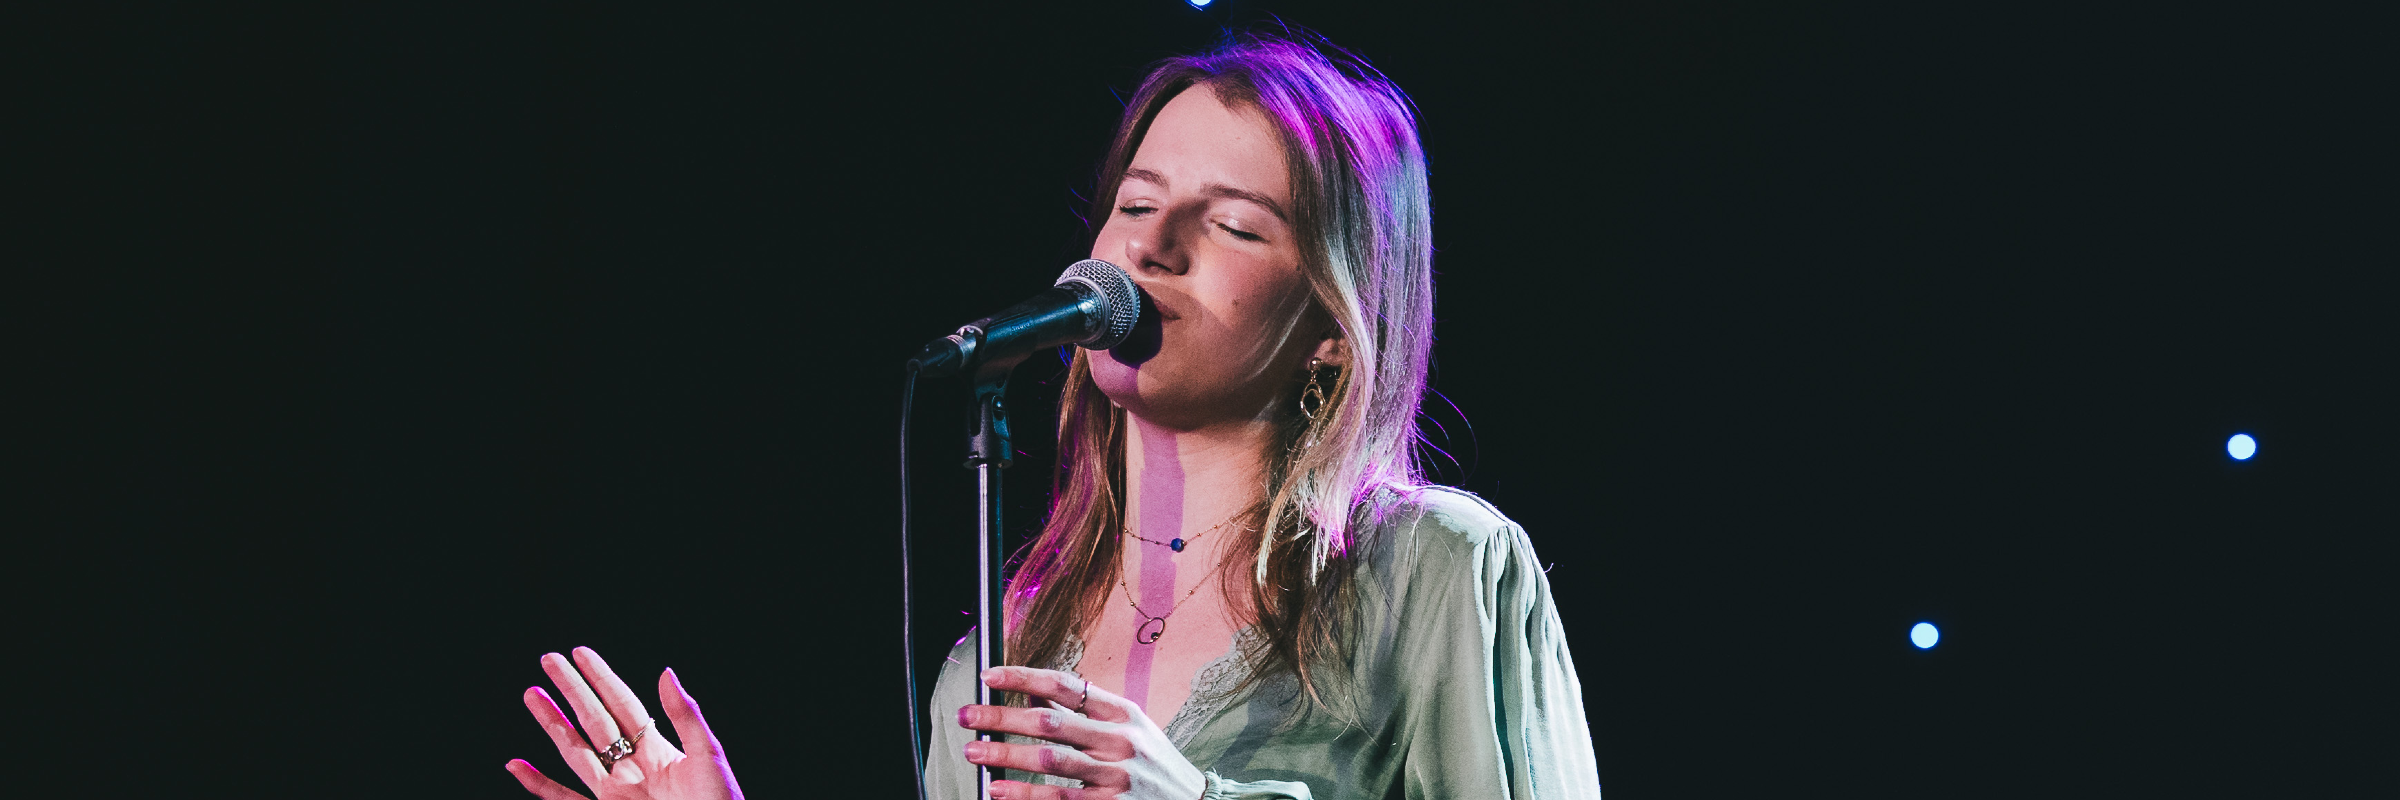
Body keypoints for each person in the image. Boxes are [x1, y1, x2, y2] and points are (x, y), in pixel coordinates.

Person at [502, 31, 1600, 800]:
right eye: (1135, 203)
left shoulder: (1439, 571)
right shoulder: (1000, 655)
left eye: (1231, 225)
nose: (1150, 247)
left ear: (1329, 322)